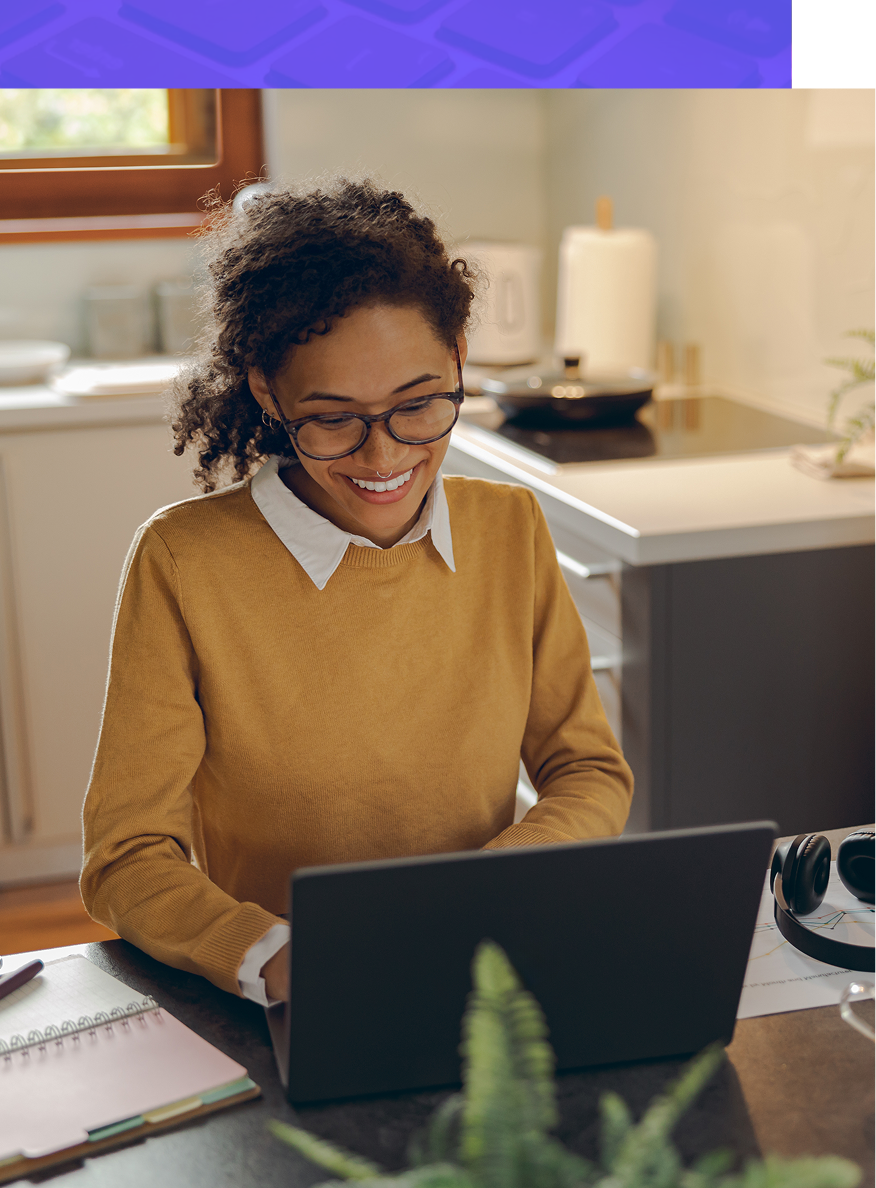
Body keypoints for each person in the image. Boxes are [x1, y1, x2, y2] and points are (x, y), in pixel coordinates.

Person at [80, 178, 633, 1006]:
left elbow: (587, 769)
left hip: (487, 972)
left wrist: (492, 889)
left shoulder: (509, 527)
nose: (382, 461)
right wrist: (270, 956)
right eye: (333, 418)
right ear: (269, 389)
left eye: (418, 406)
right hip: (295, 996)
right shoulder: (183, 562)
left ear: (458, 362)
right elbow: (126, 857)